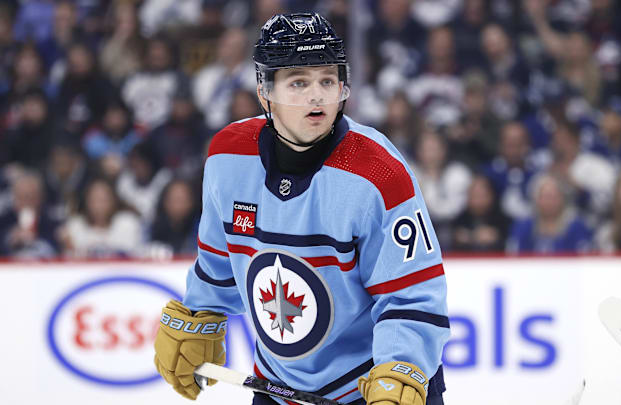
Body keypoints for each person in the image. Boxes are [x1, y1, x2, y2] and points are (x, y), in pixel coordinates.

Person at [153, 13, 449, 405]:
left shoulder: (378, 172)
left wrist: (401, 368)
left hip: (374, 388)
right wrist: (201, 313)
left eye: (328, 80)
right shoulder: (228, 156)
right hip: (277, 388)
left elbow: (411, 295)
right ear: (265, 93)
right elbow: (219, 258)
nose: (317, 96)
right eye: (299, 82)